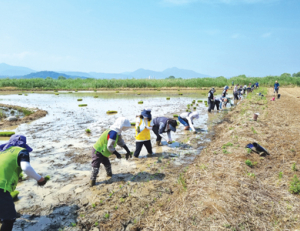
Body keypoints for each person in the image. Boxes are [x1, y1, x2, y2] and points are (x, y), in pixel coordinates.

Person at [0, 135, 48, 231]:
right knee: (9, 219)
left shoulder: (3, 152)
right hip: (1, 188)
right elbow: (26, 168)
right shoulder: (21, 151)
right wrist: (39, 179)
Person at [90, 117, 132, 187]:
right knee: (95, 167)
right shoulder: (113, 133)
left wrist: (128, 150)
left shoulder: (117, 132)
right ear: (121, 125)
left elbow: (120, 141)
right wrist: (117, 154)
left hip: (104, 152)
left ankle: (109, 175)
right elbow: (110, 146)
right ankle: (92, 182)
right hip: (98, 151)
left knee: (107, 165)